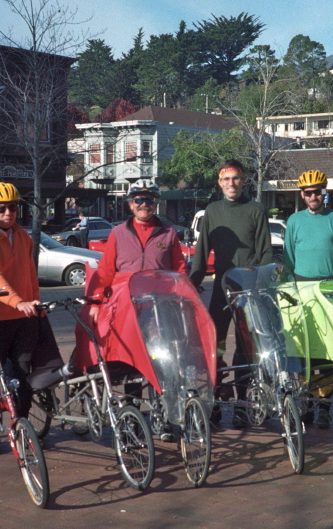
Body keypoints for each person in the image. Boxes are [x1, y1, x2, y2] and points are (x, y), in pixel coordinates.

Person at [80, 179, 187, 441]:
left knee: (160, 362)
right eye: (138, 199)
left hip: (158, 310)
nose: (144, 204)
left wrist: (183, 297)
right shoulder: (118, 233)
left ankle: (161, 418)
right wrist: (95, 303)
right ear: (130, 204)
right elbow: (105, 271)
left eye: (149, 199)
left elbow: (179, 271)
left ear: (156, 203)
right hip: (126, 310)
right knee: (130, 364)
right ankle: (132, 419)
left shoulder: (168, 233)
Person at [190, 159, 273, 429]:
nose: (231, 184)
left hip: (249, 290)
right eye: (226, 179)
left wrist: (265, 287)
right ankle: (214, 399)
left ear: (244, 180)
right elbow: (201, 256)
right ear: (219, 183)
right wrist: (190, 285)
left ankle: (241, 402)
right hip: (220, 291)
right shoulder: (212, 211)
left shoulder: (256, 210)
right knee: (214, 346)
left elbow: (265, 254)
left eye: (236, 178)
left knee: (246, 348)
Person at [0, 182, 48, 455]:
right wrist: (18, 301)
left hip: (25, 316)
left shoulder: (24, 236)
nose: (9, 213)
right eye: (1, 208)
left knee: (23, 372)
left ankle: (21, 426)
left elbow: (30, 275)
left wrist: (37, 303)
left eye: (13, 207)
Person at [282, 169, 333, 429]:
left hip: (329, 287)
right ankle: (306, 402)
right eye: (308, 192)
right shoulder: (295, 220)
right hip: (301, 289)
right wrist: (287, 289)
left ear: (325, 192)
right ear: (302, 195)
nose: (313, 196)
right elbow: (288, 259)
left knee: (328, 352)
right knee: (303, 351)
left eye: (317, 191)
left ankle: (324, 406)